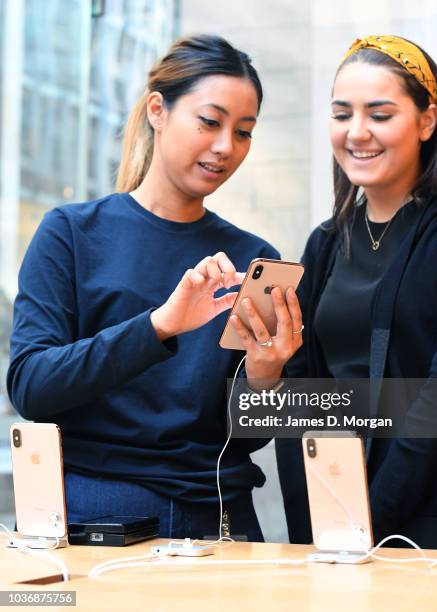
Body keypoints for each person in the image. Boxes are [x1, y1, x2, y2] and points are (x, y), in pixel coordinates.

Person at [7, 34, 302, 541]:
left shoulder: (256, 258)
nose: (224, 147)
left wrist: (265, 377)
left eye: (244, 132)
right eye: (210, 122)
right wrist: (159, 326)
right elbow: (32, 387)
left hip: (220, 518)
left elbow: (249, 438)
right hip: (95, 516)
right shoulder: (71, 234)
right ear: (158, 110)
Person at [276, 35, 437, 550]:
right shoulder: (325, 242)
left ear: (427, 121)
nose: (357, 132)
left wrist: (371, 520)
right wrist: (319, 527)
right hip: (342, 524)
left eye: (380, 114)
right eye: (342, 114)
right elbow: (304, 395)